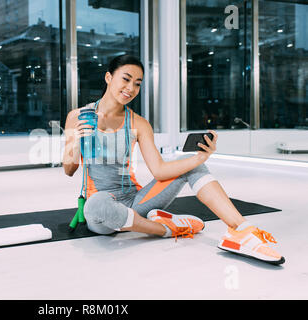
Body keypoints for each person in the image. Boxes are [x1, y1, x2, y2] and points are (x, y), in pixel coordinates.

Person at [62, 54, 284, 265]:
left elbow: (159, 170)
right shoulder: (78, 116)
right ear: (109, 77)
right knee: (96, 206)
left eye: (137, 83)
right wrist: (75, 140)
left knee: (194, 165)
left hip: (136, 200)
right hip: (100, 205)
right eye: (126, 79)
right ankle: (168, 228)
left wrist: (199, 157)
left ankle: (241, 231)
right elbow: (69, 170)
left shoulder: (138, 123)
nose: (131, 88)